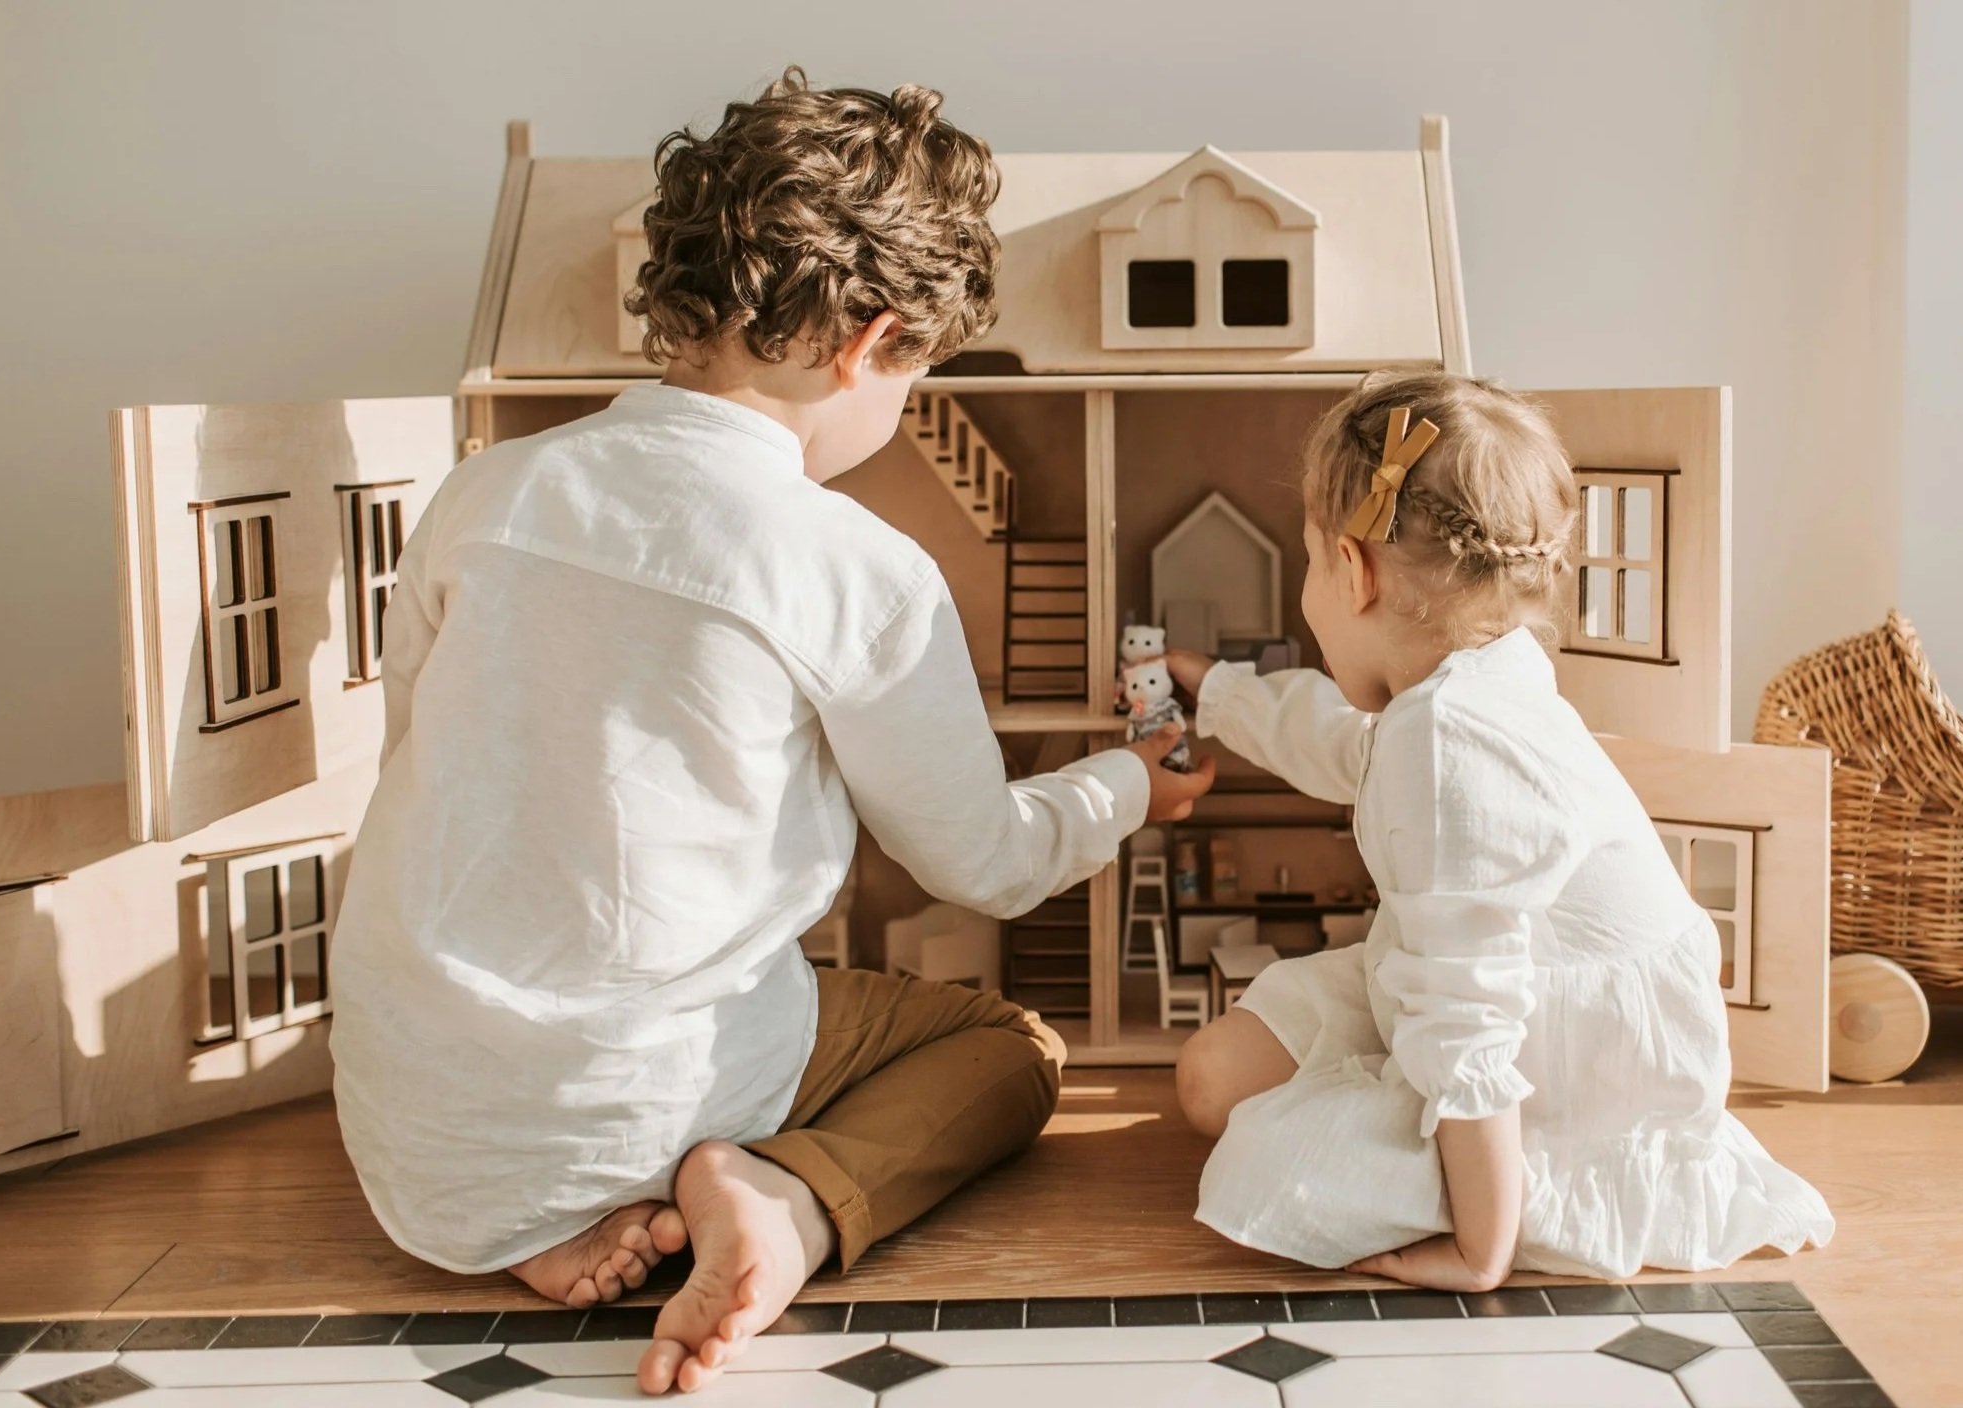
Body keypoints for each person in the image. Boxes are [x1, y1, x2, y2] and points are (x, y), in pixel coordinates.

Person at [329, 69, 1212, 1395]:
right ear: (869, 341)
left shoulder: (481, 494)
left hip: (410, 1124)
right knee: (1009, 1046)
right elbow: (984, 862)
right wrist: (1134, 785)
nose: (902, 409)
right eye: (915, 376)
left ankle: (533, 1228)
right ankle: (789, 1203)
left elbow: (424, 754)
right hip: (644, 1087)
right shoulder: (851, 565)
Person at [1170, 370, 1831, 1287]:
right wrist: (1222, 691)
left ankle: (1501, 1189)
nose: (1310, 591)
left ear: (1354, 573)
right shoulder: (1466, 679)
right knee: (1211, 1079)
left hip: (1560, 1054)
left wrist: (1482, 1246)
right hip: (1467, 984)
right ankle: (1410, 1135)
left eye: (1313, 562)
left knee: (1264, 1173)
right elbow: (1347, 749)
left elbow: (1467, 1013)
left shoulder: (1449, 741)